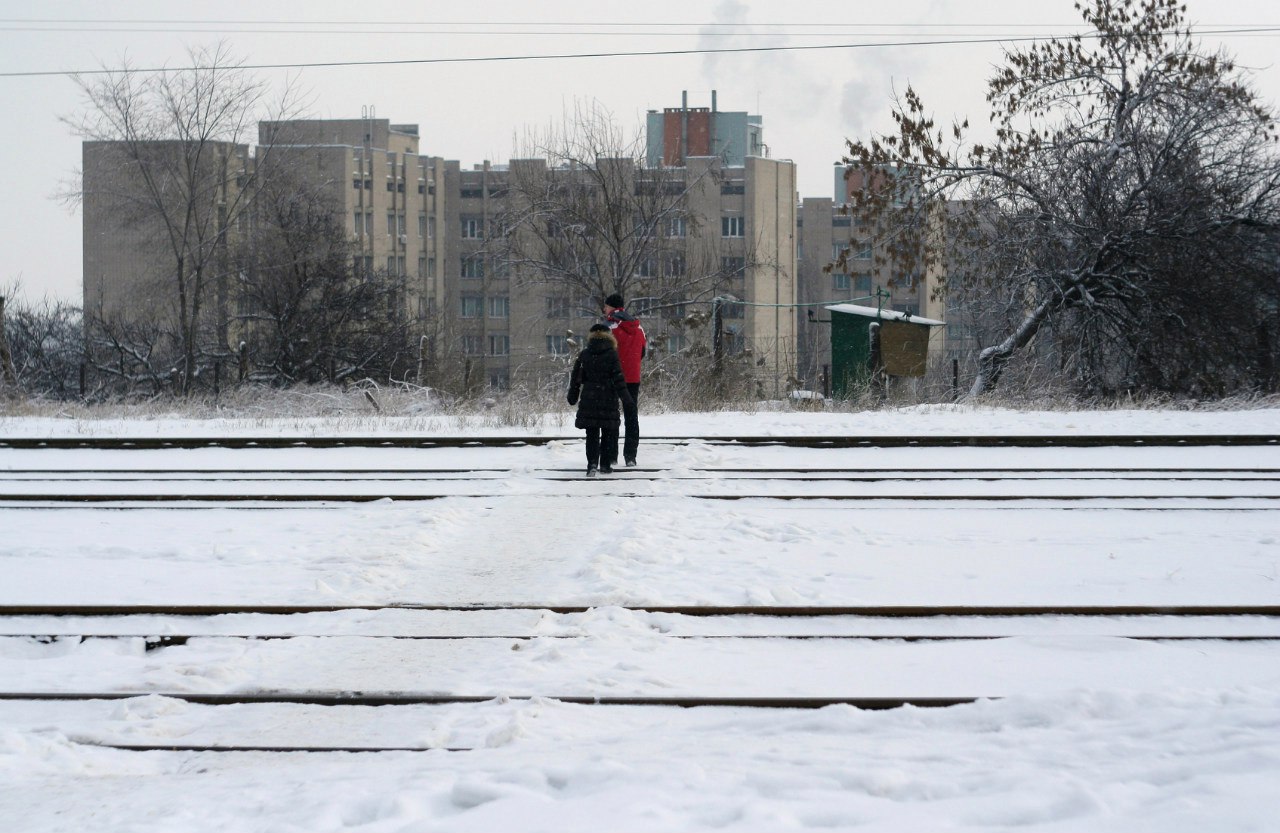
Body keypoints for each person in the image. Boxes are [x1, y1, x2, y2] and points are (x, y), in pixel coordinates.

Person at [567, 324, 634, 477]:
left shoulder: (584, 354)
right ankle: (605, 465)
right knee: (608, 433)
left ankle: (591, 464)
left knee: (591, 434)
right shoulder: (612, 354)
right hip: (608, 397)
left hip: (589, 398)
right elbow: (619, 379)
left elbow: (576, 378)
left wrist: (573, 396)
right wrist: (627, 399)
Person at [602, 292, 646, 467]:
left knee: (612, 417)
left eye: (606, 306)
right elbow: (642, 352)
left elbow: (603, 352)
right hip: (633, 377)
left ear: (612, 307)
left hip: (613, 378)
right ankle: (630, 457)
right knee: (631, 416)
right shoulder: (639, 327)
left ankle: (612, 456)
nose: (604, 309)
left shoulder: (608, 326)